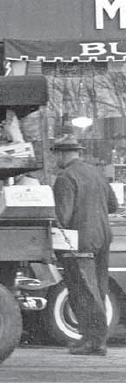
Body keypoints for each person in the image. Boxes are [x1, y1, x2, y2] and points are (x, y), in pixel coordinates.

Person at [51, 134, 119, 356]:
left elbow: (63, 215)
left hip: (80, 241)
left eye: (56, 155)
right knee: (98, 288)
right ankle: (91, 339)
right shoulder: (96, 173)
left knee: (82, 291)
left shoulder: (65, 177)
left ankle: (95, 342)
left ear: (62, 154)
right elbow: (113, 205)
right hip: (102, 237)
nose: (55, 160)